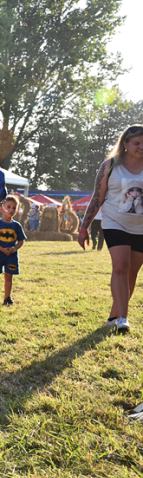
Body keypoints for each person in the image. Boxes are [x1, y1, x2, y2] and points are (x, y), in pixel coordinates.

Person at [78, 124, 143, 332]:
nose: (141, 147)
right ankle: (123, 319)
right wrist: (83, 227)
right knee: (121, 267)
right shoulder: (110, 165)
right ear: (125, 144)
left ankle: (114, 315)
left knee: (132, 272)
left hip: (141, 227)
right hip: (115, 222)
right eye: (137, 143)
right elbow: (97, 197)